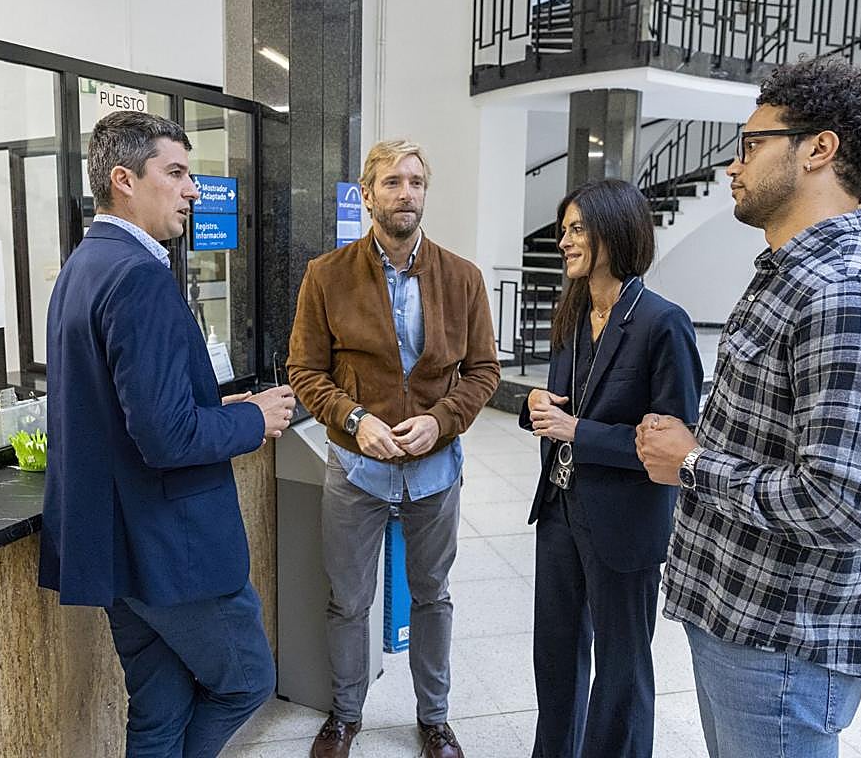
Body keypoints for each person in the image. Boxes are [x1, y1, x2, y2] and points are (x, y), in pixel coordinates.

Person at [636, 56, 861, 758]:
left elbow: (841, 503)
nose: (734, 166)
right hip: (745, 618)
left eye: (753, 143)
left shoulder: (843, 295)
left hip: (783, 640)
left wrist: (692, 461)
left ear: (818, 149)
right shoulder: (796, 272)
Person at [37, 111, 294, 757]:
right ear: (124, 179)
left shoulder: (83, 265)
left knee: (157, 713)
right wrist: (252, 419)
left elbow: (130, 409)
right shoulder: (138, 276)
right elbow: (166, 438)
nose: (192, 190)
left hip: (115, 547)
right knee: (245, 682)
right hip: (169, 552)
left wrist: (222, 401)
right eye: (175, 173)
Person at [287, 139, 500, 758]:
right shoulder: (326, 275)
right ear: (367, 194)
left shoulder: (462, 277)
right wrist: (354, 420)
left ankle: (433, 718)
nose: (405, 194)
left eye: (415, 182)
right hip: (356, 468)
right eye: (392, 183)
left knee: (432, 596)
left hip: (435, 469)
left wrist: (442, 422)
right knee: (348, 598)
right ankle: (345, 715)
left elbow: (484, 370)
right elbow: (304, 371)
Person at [522, 179, 702, 758]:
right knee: (554, 654)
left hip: (624, 519)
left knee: (622, 667)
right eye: (564, 228)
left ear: (614, 233)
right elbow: (561, 407)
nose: (564, 241)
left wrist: (582, 432)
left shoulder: (662, 322)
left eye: (577, 229)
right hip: (559, 506)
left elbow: (676, 446)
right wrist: (537, 409)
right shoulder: (572, 313)